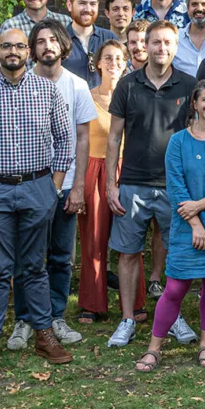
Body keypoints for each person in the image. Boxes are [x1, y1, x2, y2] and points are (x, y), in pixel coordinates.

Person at [0, 27, 77, 379]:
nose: (13, 51)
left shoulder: (46, 90)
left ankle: (43, 333)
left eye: (19, 46)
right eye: (6, 46)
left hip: (37, 187)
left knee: (35, 267)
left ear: (29, 51)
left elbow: (64, 138)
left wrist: (53, 185)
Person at [133, 80, 205, 371]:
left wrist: (199, 207)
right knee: (175, 288)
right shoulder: (178, 141)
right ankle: (154, 348)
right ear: (194, 104)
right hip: (187, 224)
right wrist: (195, 221)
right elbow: (176, 187)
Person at [104, 21, 199, 348]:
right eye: (155, 43)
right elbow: (114, 136)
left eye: (167, 43)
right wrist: (110, 184)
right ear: (145, 45)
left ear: (175, 46)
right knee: (129, 253)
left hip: (176, 186)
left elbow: (197, 137)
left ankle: (172, 316)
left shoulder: (189, 85)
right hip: (132, 183)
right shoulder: (128, 85)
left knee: (176, 254)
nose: (161, 49)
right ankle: (128, 319)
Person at [25, 22, 97, 350]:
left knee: (60, 256)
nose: (47, 46)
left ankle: (56, 317)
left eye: (53, 39)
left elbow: (84, 139)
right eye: (40, 41)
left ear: (64, 45)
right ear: (32, 49)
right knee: (28, 256)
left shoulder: (78, 86)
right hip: (28, 183)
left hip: (66, 184)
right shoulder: (21, 83)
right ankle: (26, 319)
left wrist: (78, 186)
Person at [77, 40, 129, 324]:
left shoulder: (132, 94)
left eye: (119, 58)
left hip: (126, 169)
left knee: (129, 241)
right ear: (97, 64)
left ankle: (132, 302)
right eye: (107, 58)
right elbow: (79, 140)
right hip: (94, 168)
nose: (113, 63)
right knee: (93, 240)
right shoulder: (86, 96)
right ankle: (92, 303)